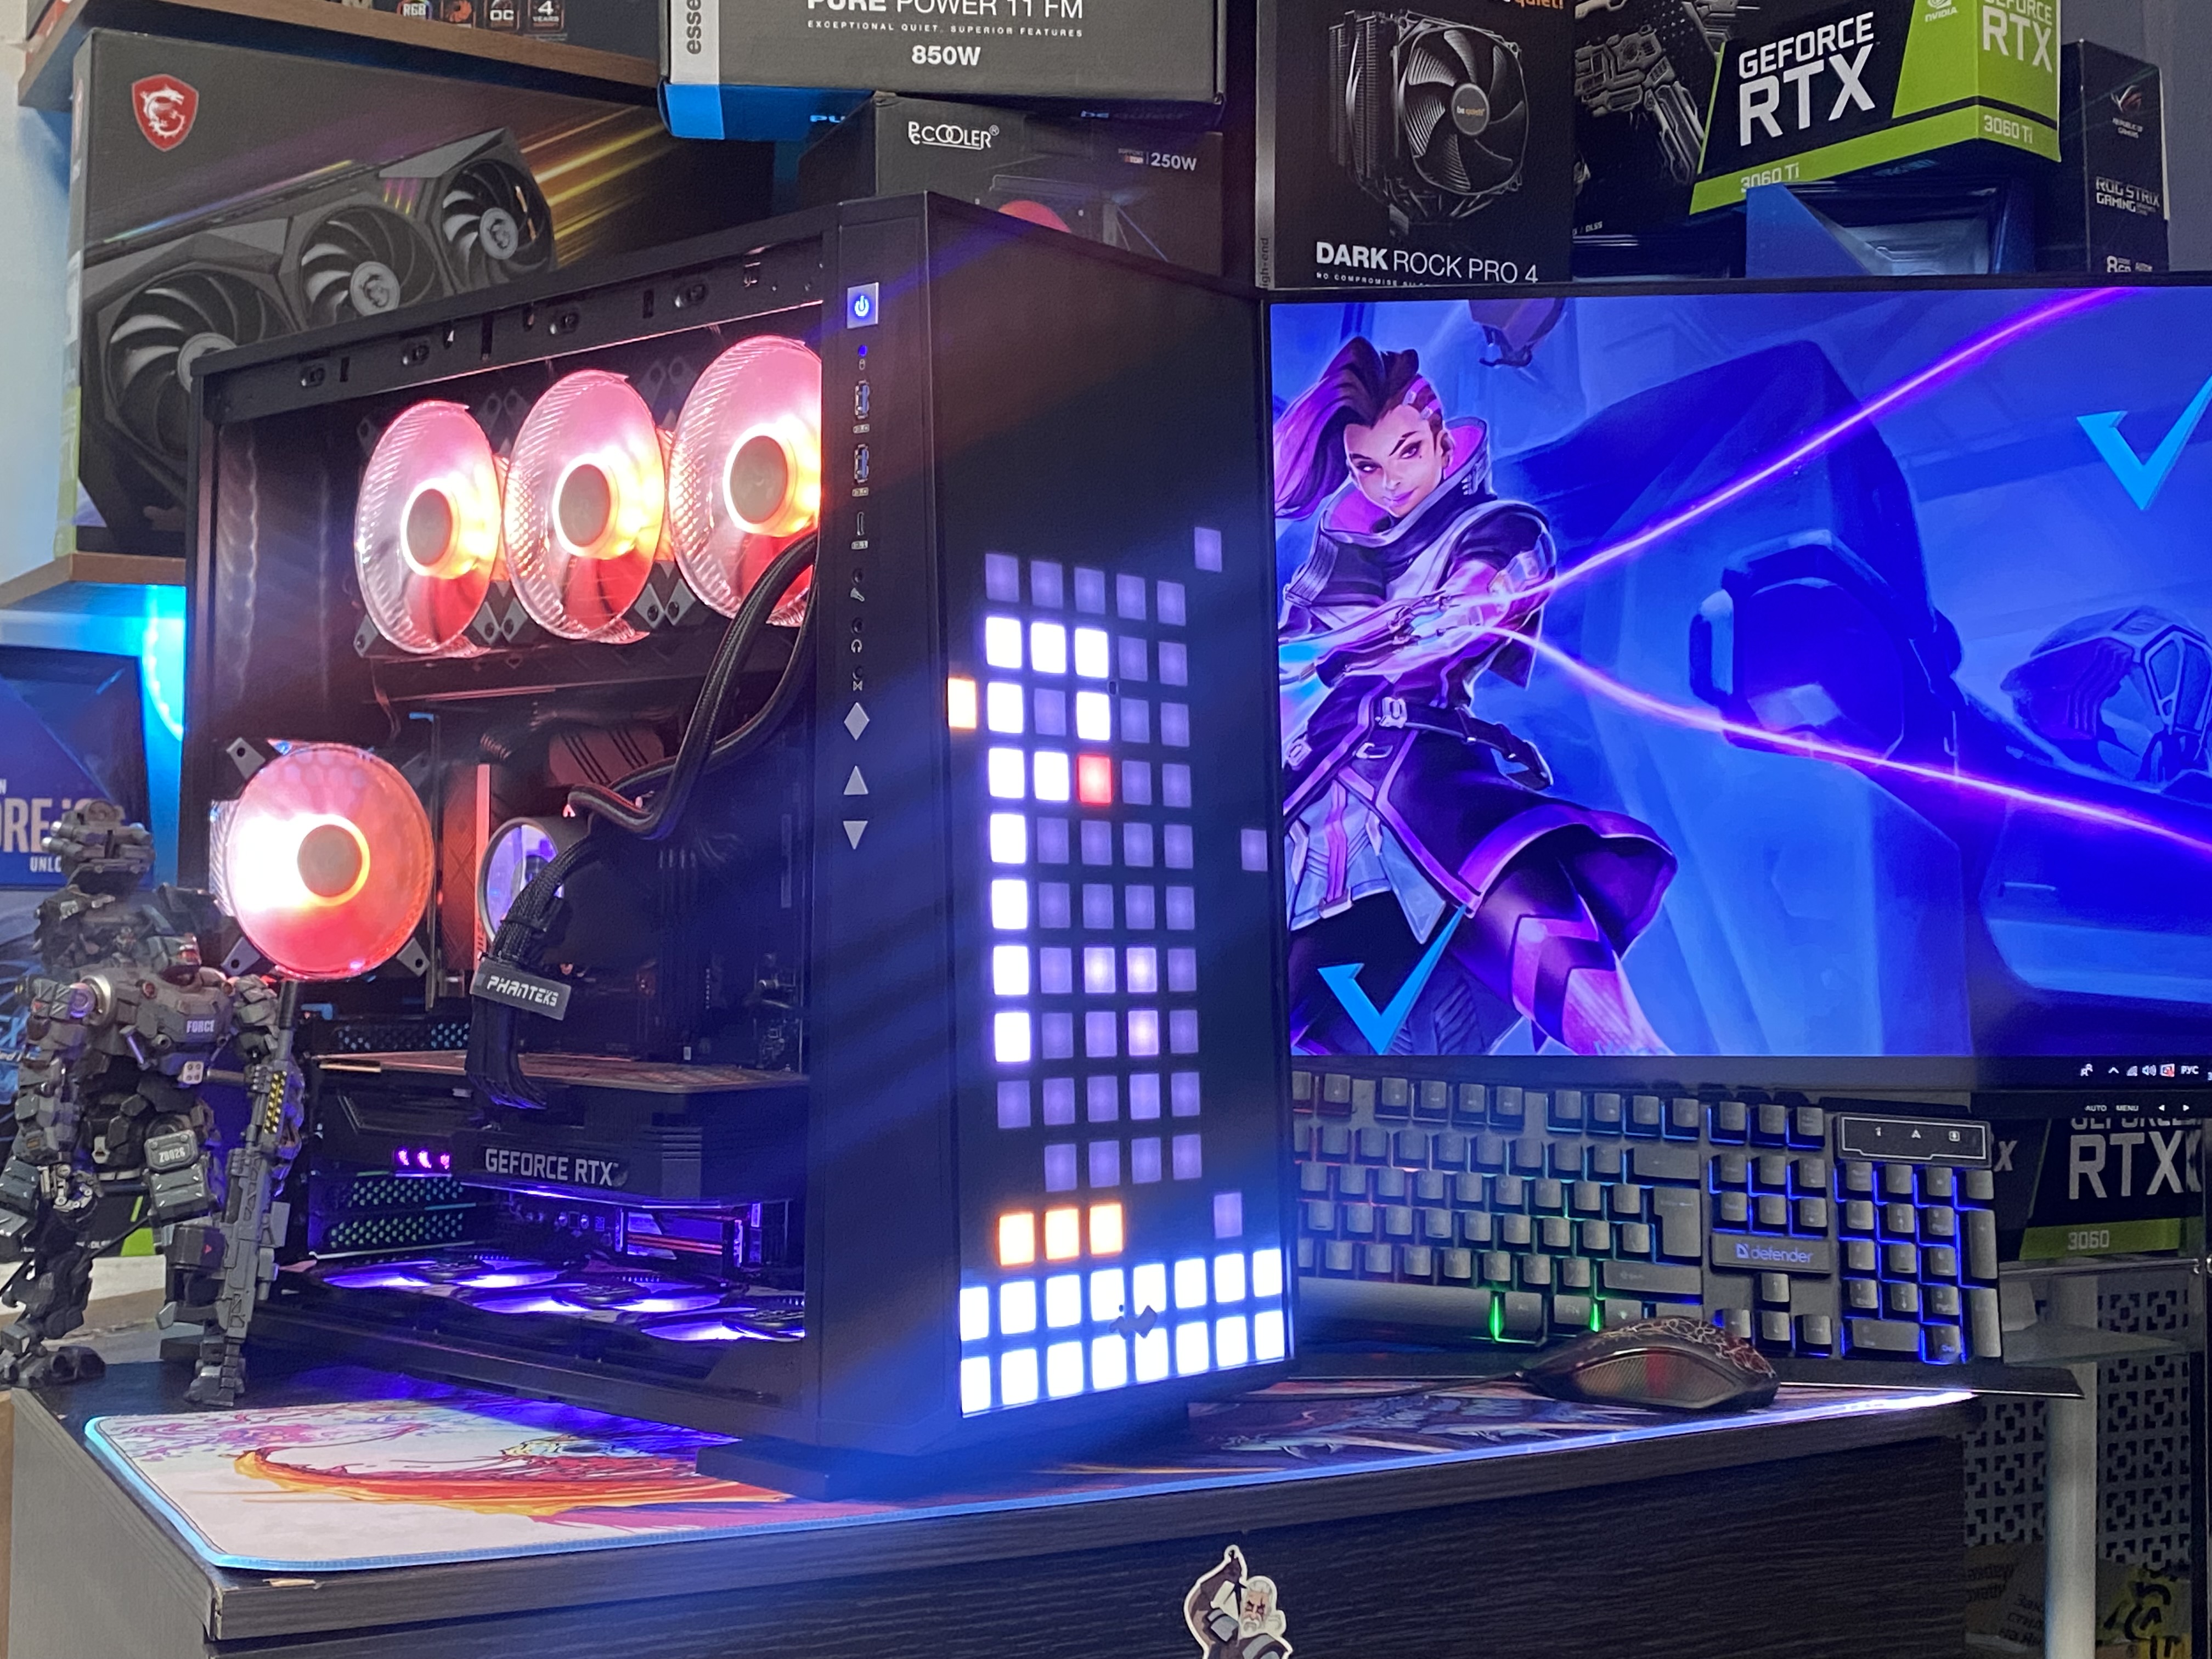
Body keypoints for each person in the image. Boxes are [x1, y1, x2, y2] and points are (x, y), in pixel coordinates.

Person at [1275, 338, 1675, 1057]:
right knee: (1280, 1037)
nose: (1390, 482)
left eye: (1406, 453)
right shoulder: (1339, 558)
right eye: (1367, 467)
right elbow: (1285, 665)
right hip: (1318, 813)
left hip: (1434, 796)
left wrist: (1432, 618)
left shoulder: (1496, 527)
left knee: (1598, 1015)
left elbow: (1488, 594)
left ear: (1439, 439)